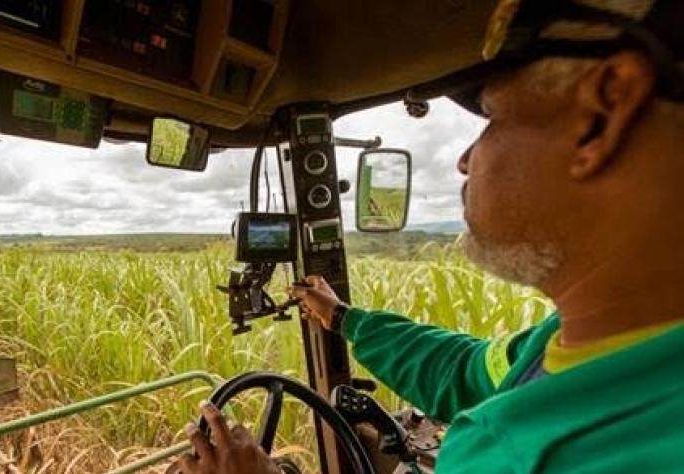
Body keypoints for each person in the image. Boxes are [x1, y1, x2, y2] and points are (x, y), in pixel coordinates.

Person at [171, 0, 684, 472]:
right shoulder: (566, 343)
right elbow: (463, 369)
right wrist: (342, 317)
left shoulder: (527, 454)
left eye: (493, 116)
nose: (464, 158)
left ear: (601, 116)